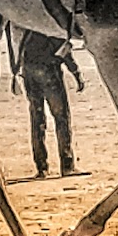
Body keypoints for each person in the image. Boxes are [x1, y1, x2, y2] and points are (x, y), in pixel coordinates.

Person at [16, 30, 86, 177]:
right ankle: (67, 166)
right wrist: (77, 74)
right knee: (61, 119)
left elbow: (19, 52)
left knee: (37, 121)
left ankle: (42, 168)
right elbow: (65, 52)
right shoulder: (51, 26)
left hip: (29, 73)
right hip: (49, 73)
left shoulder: (26, 28)